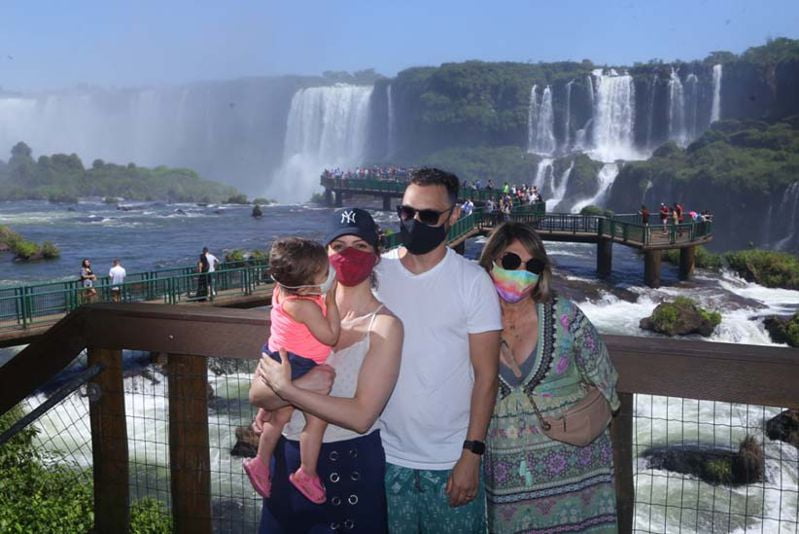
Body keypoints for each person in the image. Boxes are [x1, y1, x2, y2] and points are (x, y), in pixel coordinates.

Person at [251, 208, 403, 533]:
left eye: (360, 246)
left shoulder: (386, 326)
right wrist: (304, 382)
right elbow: (257, 393)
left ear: (376, 254)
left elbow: (362, 417)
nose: (348, 254)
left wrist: (291, 391)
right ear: (324, 256)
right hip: (285, 465)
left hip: (347, 471)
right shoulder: (297, 311)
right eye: (339, 246)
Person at [375, 168, 502, 533]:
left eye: (428, 216)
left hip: (449, 461)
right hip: (383, 455)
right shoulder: (376, 273)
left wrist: (471, 455)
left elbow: (487, 377)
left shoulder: (472, 282)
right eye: (407, 212)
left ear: (453, 217)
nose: (415, 222)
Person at [478, 222, 620, 533]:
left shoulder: (566, 316)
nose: (521, 273)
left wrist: (576, 419)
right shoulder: (472, 320)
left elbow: (606, 379)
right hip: (505, 479)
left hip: (575, 476)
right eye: (512, 262)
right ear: (491, 260)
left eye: (533, 265)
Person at [244, 237, 341, 504]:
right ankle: (306, 472)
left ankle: (260, 462)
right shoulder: (305, 306)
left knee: (279, 417)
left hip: (277, 354)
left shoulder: (282, 290)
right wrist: (331, 303)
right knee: (317, 419)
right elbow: (331, 336)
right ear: (308, 284)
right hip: (298, 364)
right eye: (324, 273)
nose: (329, 275)